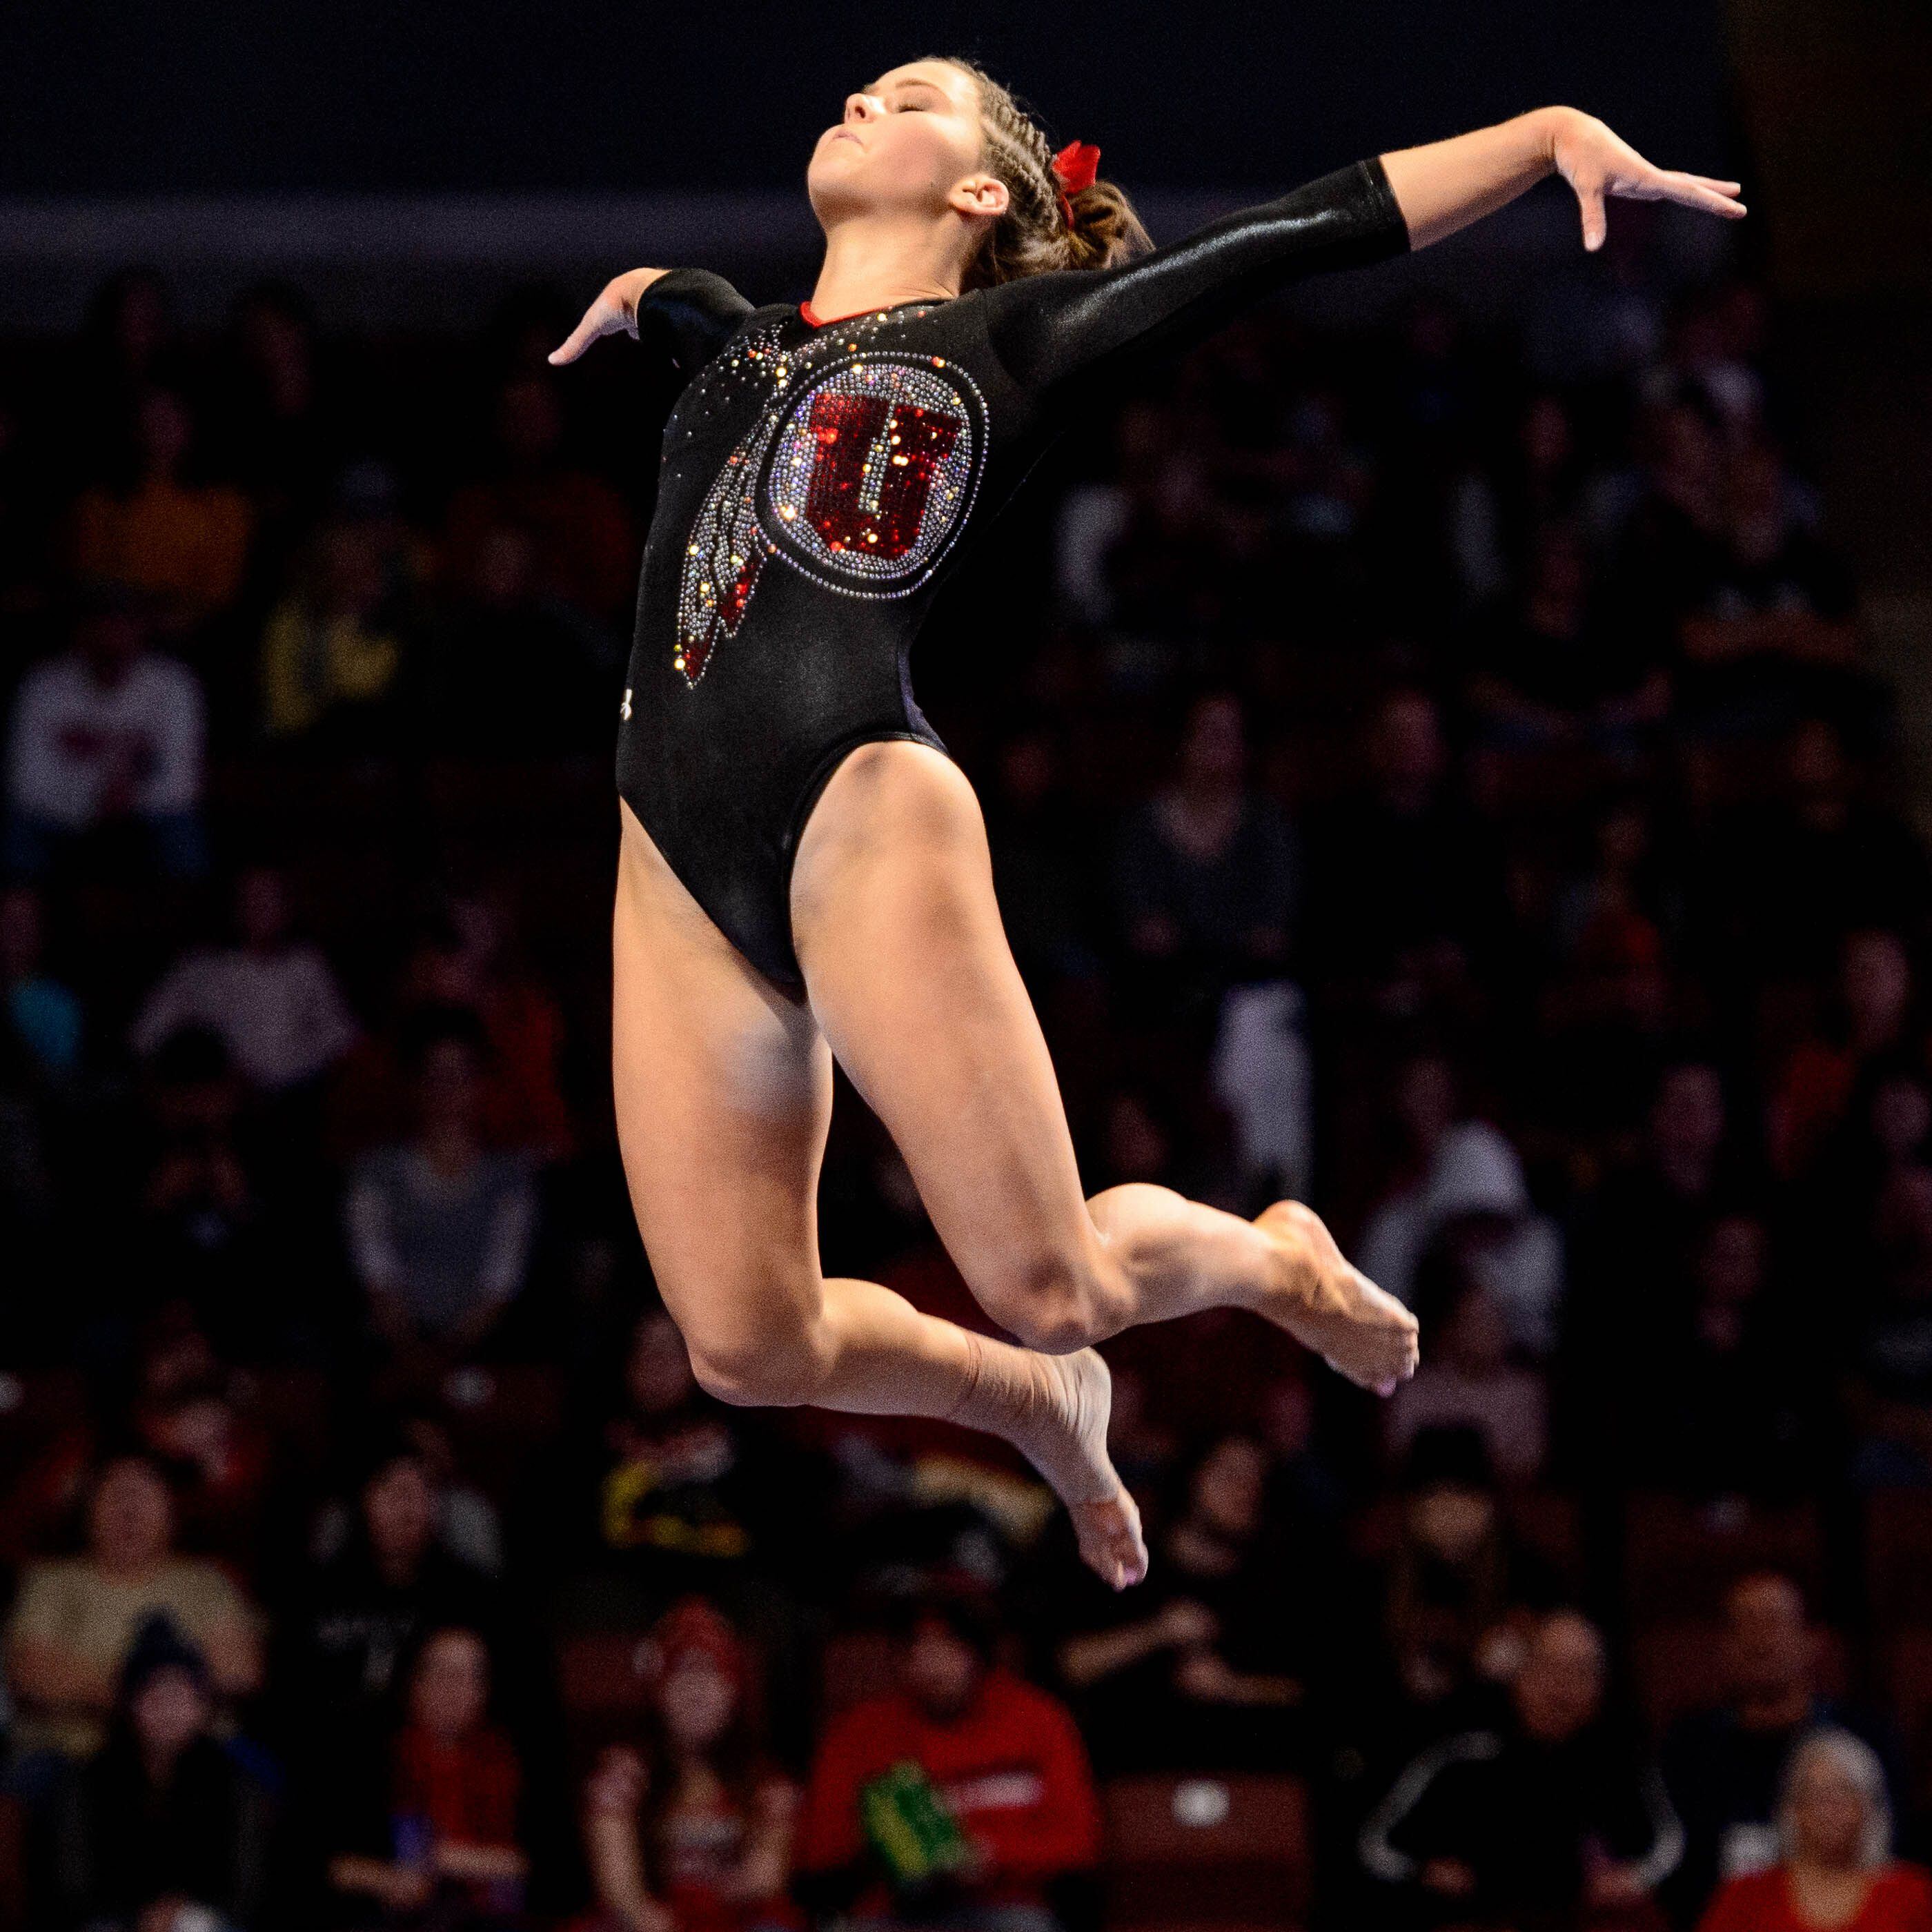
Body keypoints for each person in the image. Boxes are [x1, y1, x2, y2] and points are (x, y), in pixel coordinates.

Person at [553, 55, 1743, 1586]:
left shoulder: (1009, 340)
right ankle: (1030, 1403)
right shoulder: (734, 350)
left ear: (980, 192)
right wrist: (639, 292)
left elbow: (1298, 232)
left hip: (856, 807)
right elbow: (694, 309)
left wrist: (1538, 138)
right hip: (667, 854)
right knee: (743, 1342)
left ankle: (1268, 1256)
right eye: (859, 84)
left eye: (907, 99)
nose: (857, 96)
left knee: (1056, 1280)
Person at [796, 1590, 1099, 1932]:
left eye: (947, 1646)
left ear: (977, 1652)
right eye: (915, 1649)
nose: (931, 1663)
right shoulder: (860, 1733)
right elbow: (819, 1855)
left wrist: (993, 1857)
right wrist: (885, 1843)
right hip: (894, 1911)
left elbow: (1079, 1843)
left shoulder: (1037, 1718)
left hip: (1008, 1908)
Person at [1358, 1608, 1683, 1926]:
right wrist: (1423, 1873)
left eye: (1579, 1672)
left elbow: (1669, 1848)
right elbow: (1375, 1846)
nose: (1561, 1688)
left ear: (1600, 1686)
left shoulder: (1622, 1763)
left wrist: (1633, 1879)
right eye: (1549, 1668)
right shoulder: (1465, 1759)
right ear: (1520, 1676)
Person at [1662, 1573, 1901, 1925]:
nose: (1761, 1640)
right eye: (1745, 1625)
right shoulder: (1689, 1747)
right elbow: (1675, 1869)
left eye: (1776, 1623)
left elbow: (1894, 1847)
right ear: (1723, 1646)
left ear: (1812, 1641)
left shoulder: (1866, 1738)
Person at [4, 1454, 262, 1764]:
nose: (129, 1514)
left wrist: (104, 1684)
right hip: (74, 1754)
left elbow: (239, 1673)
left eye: (145, 1499)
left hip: (199, 1756)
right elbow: (34, 1675)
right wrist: (150, 1699)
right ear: (87, 1510)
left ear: (171, 1511)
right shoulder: (51, 1582)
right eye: (114, 1499)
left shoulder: (206, 1582)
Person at [580, 1597, 799, 1932]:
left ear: (734, 1692)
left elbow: (767, 1875)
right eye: (682, 1675)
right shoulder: (622, 1776)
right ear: (658, 1691)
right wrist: (653, 1918)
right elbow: (619, 1888)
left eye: (712, 1676)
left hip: (733, 1919)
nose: (697, 1692)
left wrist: (712, 1902)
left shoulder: (766, 1783)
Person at [53, 1616, 278, 1931]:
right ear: (131, 1705)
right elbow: (73, 1883)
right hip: (114, 1918)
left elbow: (248, 1883)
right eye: (156, 1698)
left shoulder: (232, 1779)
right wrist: (137, 1915)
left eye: (183, 1698)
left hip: (205, 1917)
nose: (169, 1712)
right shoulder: (89, 1779)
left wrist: (182, 1907)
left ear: (203, 1707)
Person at [325, 1626, 526, 1930]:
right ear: (413, 1684)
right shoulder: (372, 1759)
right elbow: (332, 1863)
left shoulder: (512, 1759)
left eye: (472, 1676)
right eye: (443, 1673)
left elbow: (549, 1866)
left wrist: (456, 1860)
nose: (458, 1689)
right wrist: (385, 1879)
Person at [3, 580, 208, 879]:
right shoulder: (44, 683)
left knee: (183, 842)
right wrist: (92, 799)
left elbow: (181, 784)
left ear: (140, 628)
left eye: (122, 621)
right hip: (62, 820)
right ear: (81, 630)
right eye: (101, 621)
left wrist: (132, 798)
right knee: (20, 837)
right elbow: (26, 785)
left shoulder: (174, 684)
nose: (111, 633)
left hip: (147, 818)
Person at [1698, 1730, 1932, 1932]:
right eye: (1816, 1794)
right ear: (1792, 1808)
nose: (1830, 1809)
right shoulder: (1745, 1896)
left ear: (1871, 1808)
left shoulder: (1915, 1894)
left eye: (1845, 1792)